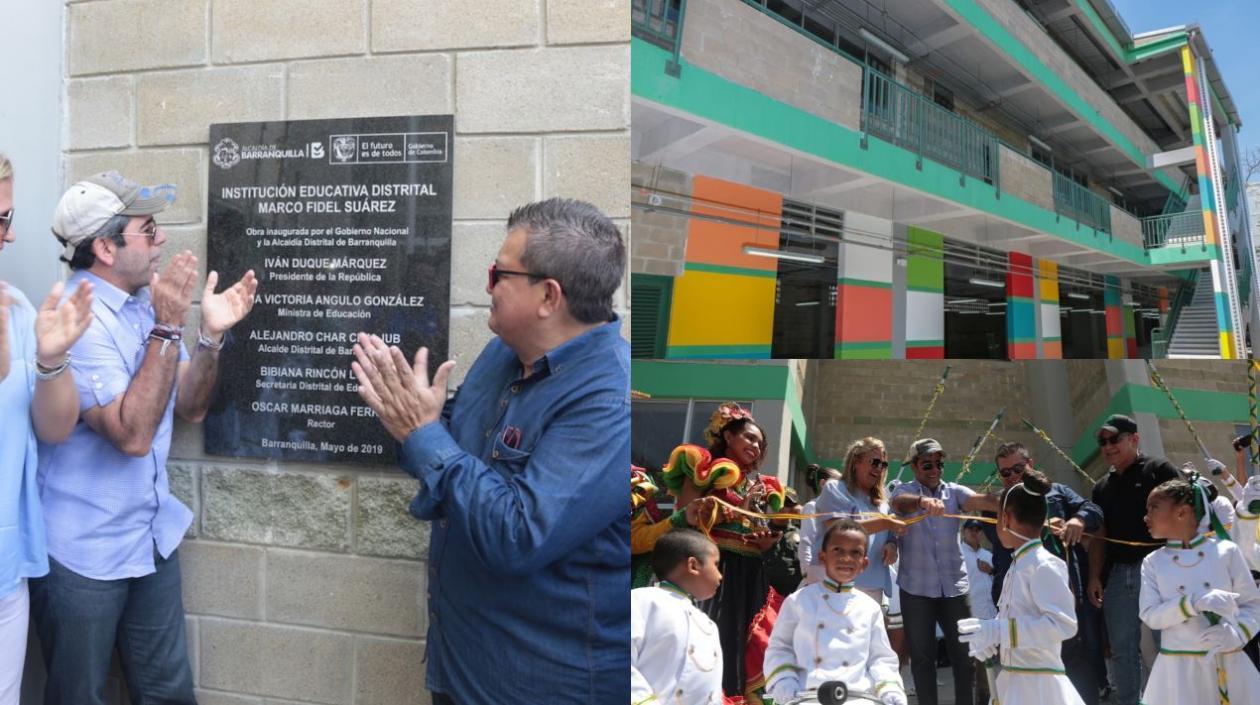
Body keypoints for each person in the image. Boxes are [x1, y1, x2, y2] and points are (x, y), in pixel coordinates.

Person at [350, 198, 628, 704]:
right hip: (462, 670)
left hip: (539, 687)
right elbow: (446, 450)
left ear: (548, 296)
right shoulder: (504, 353)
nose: (487, 285)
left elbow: (518, 536)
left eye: (500, 273)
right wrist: (421, 423)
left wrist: (424, 434)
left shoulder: (609, 401)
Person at [30, 170, 257, 704]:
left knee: (168, 693)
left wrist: (210, 338)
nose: (160, 242)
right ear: (106, 247)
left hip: (148, 540)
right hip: (82, 556)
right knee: (77, 695)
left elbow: (190, 408)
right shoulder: (75, 324)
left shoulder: (142, 308)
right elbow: (131, 434)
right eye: (148, 230)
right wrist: (168, 325)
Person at [0, 154, 94, 705]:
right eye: (0, 222)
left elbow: (52, 429)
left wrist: (52, 360)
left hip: (5, 574)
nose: (7, 238)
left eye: (7, 218)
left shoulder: (14, 309)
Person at [658, 403, 783, 698]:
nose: (755, 446)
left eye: (760, 443)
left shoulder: (760, 485)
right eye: (750, 438)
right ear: (728, 435)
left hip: (751, 573)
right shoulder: (704, 472)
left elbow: (749, 529)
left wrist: (765, 541)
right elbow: (686, 523)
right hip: (717, 570)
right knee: (716, 640)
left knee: (751, 641)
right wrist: (741, 507)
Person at [981, 442, 1104, 705]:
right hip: (1017, 596)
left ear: (1030, 464)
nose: (1012, 476)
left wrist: (1077, 520)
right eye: (1005, 472)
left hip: (1058, 590)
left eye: (1018, 468)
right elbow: (1003, 538)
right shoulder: (999, 503)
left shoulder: (1057, 493)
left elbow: (1094, 511)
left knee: (1074, 662)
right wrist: (993, 634)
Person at [957, 468, 1083, 705]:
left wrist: (998, 631)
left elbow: (1063, 624)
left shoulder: (1043, 564)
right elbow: (1020, 620)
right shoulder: (1018, 564)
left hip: (1040, 689)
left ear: (1005, 519)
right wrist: (990, 638)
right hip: (1017, 682)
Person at [889, 438, 1000, 705]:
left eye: (939, 463)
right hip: (916, 591)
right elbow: (898, 502)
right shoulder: (903, 490)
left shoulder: (953, 492)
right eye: (927, 464)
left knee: (965, 656)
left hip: (955, 589)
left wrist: (1011, 499)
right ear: (914, 466)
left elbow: (979, 500)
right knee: (922, 658)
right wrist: (923, 502)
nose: (935, 469)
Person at [1086, 414, 1182, 705]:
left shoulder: (1159, 469)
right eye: (1103, 442)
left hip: (1161, 568)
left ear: (1134, 439)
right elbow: (1100, 537)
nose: (1107, 446)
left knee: (1170, 642)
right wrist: (1093, 576)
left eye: (1114, 439)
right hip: (1118, 575)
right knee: (1121, 649)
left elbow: (1185, 514)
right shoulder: (1100, 487)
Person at [1139, 477, 1260, 705]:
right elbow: (1150, 615)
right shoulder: (1153, 562)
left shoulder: (1226, 551)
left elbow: (1253, 605)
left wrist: (1235, 635)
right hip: (1177, 671)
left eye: (1153, 508)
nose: (1146, 516)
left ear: (1182, 512)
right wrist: (1193, 603)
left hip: (1227, 662)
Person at [764, 520, 907, 705]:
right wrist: (785, 683)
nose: (846, 558)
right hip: (807, 697)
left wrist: (890, 689)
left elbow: (880, 658)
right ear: (822, 557)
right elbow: (780, 648)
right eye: (838, 550)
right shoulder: (798, 602)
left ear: (864, 563)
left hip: (858, 698)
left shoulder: (870, 607)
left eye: (855, 553)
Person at [631, 529, 725, 705]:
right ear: (693, 566)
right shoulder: (641, 601)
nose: (720, 575)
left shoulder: (708, 624)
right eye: (716, 564)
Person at [961, 519, 994, 705]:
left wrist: (990, 570)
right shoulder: (957, 554)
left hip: (988, 618)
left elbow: (998, 578)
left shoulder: (988, 555)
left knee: (986, 665)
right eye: (971, 529)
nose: (974, 532)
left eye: (978, 529)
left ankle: (985, 701)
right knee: (968, 666)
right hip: (967, 617)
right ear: (964, 531)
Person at [798, 464, 842, 586]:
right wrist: (807, 572)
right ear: (823, 484)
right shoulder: (812, 507)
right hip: (815, 576)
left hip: (833, 575)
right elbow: (806, 542)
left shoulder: (838, 511)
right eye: (837, 485)